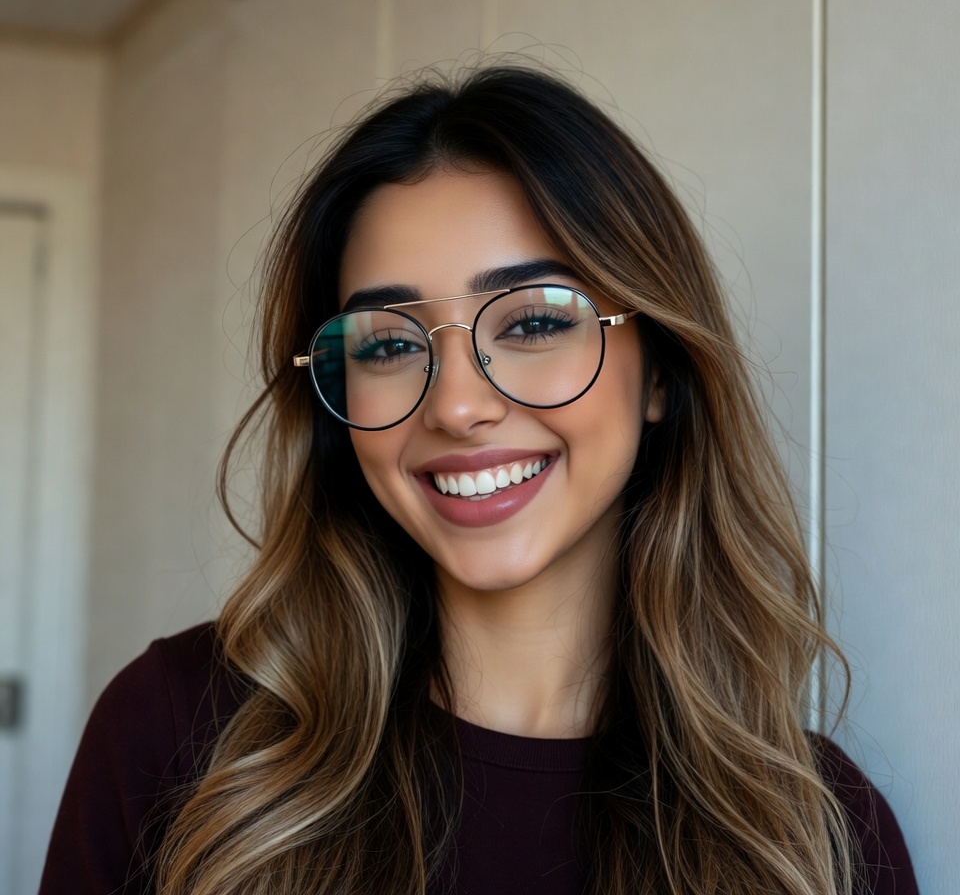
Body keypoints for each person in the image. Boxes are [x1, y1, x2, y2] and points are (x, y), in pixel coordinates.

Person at [40, 65, 918, 895]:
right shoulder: (176, 734)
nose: (457, 405)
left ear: (659, 372)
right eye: (388, 343)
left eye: (535, 322)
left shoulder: (817, 834)